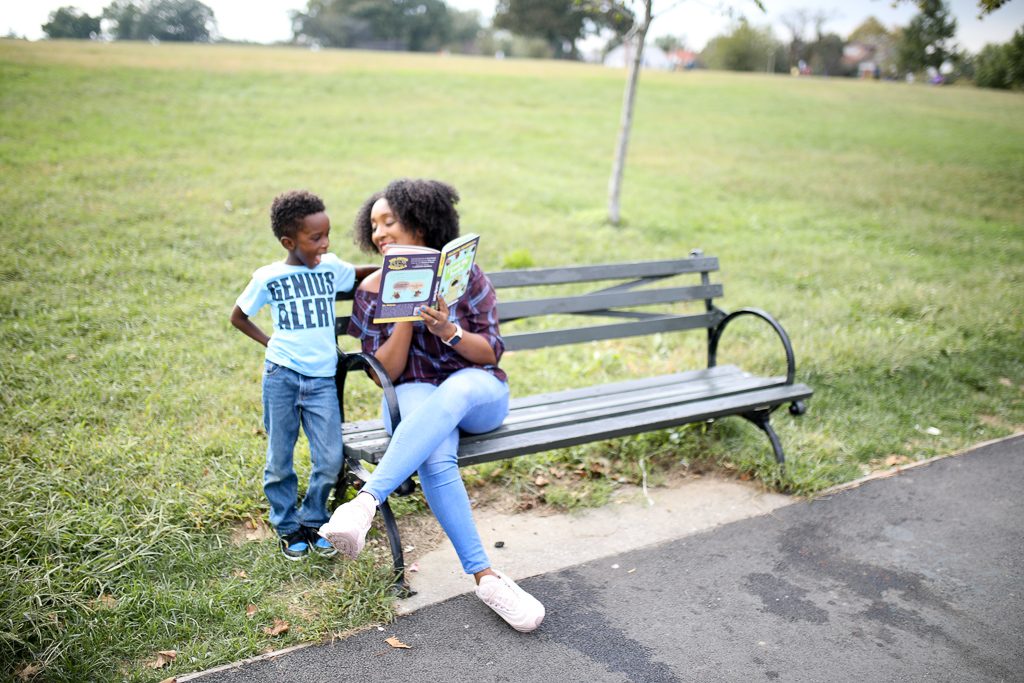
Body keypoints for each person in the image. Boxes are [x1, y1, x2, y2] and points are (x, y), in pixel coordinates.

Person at [318, 178, 545, 633]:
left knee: (457, 389)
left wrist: (448, 332)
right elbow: (385, 372)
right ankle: (486, 578)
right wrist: (404, 314)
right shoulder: (372, 290)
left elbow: (490, 354)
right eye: (374, 225)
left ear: (421, 225)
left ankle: (365, 501)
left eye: (390, 222)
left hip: (478, 392)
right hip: (413, 390)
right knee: (436, 454)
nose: (379, 232)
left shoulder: (467, 276)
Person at [231, 190, 366, 561]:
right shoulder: (269, 277)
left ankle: (315, 518)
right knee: (280, 457)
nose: (325, 243)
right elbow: (238, 316)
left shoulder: (330, 268)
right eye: (315, 238)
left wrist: (397, 267)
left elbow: (358, 274)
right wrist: (270, 342)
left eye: (327, 234)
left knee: (329, 457)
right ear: (289, 241)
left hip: (322, 381)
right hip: (282, 377)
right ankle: (288, 525)